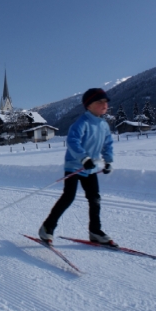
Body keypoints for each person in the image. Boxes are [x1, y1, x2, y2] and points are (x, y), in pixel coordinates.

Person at [38, 88, 115, 246]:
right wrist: (83, 158)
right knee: (68, 197)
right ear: (89, 105)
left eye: (105, 101)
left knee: (95, 199)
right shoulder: (82, 123)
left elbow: (108, 143)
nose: (104, 104)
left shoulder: (104, 125)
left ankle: (95, 231)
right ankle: (47, 228)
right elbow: (73, 142)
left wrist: (108, 161)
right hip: (75, 166)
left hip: (90, 168)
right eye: (99, 102)